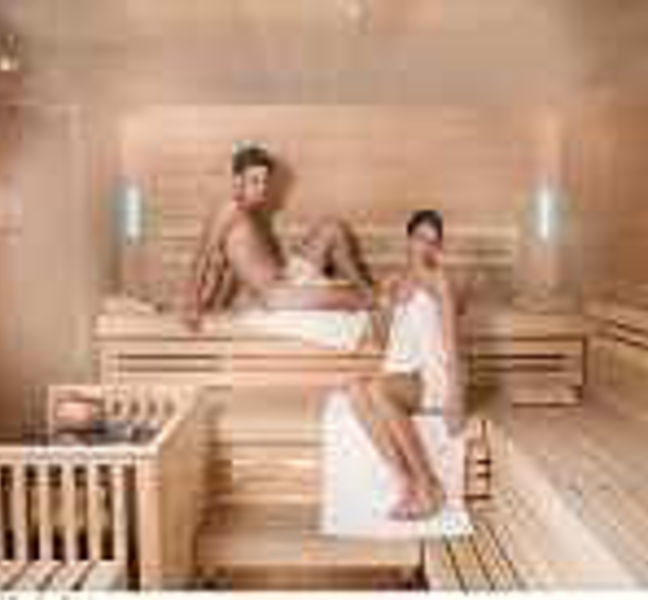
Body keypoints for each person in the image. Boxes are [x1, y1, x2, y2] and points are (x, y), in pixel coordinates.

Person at [347, 210, 468, 520]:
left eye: (433, 241)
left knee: (378, 390)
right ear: (408, 239)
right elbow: (382, 341)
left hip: (431, 375)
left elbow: (452, 341)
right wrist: (384, 305)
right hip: (401, 372)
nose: (425, 246)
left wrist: (455, 396)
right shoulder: (394, 281)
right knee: (356, 390)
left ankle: (429, 486)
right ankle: (405, 480)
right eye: (420, 238)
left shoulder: (439, 281)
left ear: (439, 247)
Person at [182, 145, 377, 330]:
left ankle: (366, 287)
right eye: (254, 181)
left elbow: (231, 267)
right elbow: (203, 257)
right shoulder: (230, 209)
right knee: (360, 298)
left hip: (288, 275)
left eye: (265, 181)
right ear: (238, 180)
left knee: (332, 228)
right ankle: (370, 295)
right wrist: (192, 304)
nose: (262, 188)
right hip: (279, 295)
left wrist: (218, 303)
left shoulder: (253, 213)